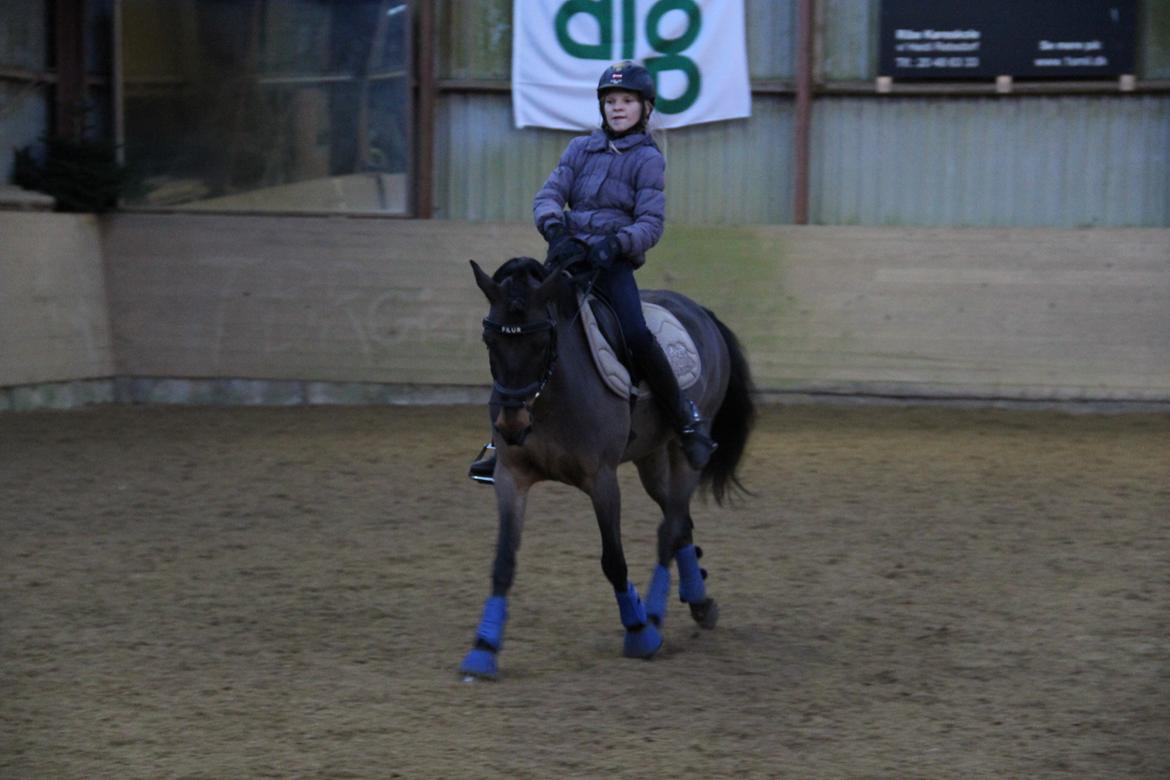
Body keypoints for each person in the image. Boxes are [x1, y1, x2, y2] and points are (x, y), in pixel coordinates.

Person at [469, 60, 716, 482]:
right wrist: (555, 227)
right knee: (518, 331)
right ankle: (498, 441)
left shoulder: (648, 160)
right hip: (564, 260)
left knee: (636, 334)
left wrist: (617, 243)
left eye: (626, 101)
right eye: (611, 101)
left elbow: (650, 224)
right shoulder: (579, 150)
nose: (618, 108)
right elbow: (548, 195)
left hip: (610, 266)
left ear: (644, 109)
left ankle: (684, 417)